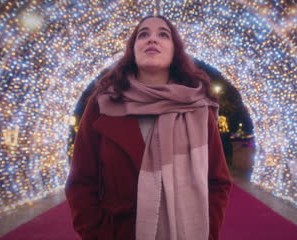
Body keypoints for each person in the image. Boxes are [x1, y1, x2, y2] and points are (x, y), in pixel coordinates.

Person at [65, 15, 232, 240]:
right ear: (132, 50)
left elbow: (218, 181)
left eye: (163, 35)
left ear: (175, 50)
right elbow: (81, 182)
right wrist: (100, 234)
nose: (152, 39)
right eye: (143, 35)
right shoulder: (103, 103)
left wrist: (207, 232)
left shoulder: (197, 108)